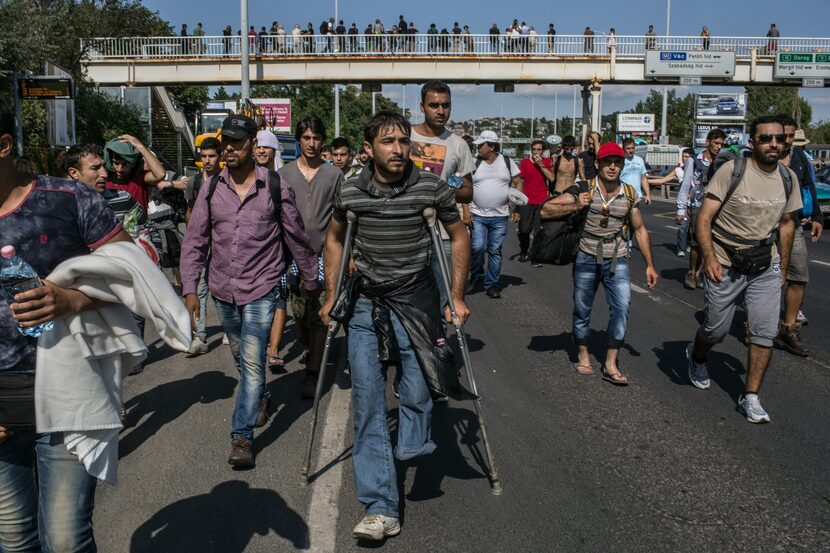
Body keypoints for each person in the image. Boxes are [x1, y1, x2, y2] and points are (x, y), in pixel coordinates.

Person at [320, 111, 471, 542]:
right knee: (367, 400)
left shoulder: (430, 187)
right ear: (369, 149)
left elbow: (458, 236)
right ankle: (380, 506)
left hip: (417, 296)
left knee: (421, 385)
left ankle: (409, 444)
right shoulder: (350, 191)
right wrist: (332, 296)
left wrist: (456, 297)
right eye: (388, 142)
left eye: (403, 141)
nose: (398, 149)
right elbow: (334, 238)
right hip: (368, 302)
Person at [0, 100, 134, 552]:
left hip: (69, 392)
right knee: (14, 540)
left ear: (3, 146)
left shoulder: (68, 198)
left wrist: (72, 299)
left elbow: (135, 270)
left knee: (63, 540)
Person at [180, 115, 320, 467]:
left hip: (262, 287)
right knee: (242, 358)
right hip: (223, 290)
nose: (229, 147)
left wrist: (312, 281)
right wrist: (189, 288)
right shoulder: (211, 189)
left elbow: (297, 237)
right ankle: (261, 397)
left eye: (237, 142)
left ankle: (241, 436)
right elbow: (195, 240)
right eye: (225, 140)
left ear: (252, 144)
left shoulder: (274, 186)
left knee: (254, 362)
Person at [686, 115, 801, 423]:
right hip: (725, 259)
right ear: (753, 143)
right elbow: (704, 218)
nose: (773, 144)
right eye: (765, 138)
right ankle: (697, 355)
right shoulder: (731, 170)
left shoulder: (788, 178)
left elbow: (788, 225)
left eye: (778, 138)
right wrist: (709, 258)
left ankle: (750, 396)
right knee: (716, 329)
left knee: (764, 332)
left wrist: (783, 269)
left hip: (766, 263)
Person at [540, 142, 659, 385]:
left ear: (622, 165)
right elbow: (545, 211)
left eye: (617, 162)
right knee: (582, 308)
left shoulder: (629, 194)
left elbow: (640, 230)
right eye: (607, 162)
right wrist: (576, 204)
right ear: (598, 164)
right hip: (585, 256)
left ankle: (610, 362)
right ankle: (583, 354)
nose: (612, 167)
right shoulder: (583, 188)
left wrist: (650, 265)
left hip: (617, 258)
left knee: (622, 307)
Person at [278, 116, 343, 398]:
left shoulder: (333, 175)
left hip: (323, 254)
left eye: (316, 138)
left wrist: (346, 255)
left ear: (322, 142)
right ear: (298, 140)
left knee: (318, 313)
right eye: (306, 138)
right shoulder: (283, 175)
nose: (312, 144)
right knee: (300, 313)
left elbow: (343, 218)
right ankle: (309, 347)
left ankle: (313, 372)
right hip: (291, 256)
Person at [410, 81, 475, 309]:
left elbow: (467, 190)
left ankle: (435, 343)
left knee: (440, 299)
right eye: (434, 105)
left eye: (445, 105)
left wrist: (445, 188)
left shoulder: (458, 145)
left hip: (444, 236)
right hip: (405, 233)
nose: (440, 111)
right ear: (422, 106)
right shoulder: (404, 137)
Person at [776, 118, 823, 356]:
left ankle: (789, 326)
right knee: (760, 277)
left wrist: (816, 216)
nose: (788, 140)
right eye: (785, 134)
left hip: (793, 226)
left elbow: (809, 187)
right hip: (763, 229)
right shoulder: (764, 154)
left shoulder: (800, 157)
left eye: (792, 135)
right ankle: (755, 324)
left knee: (798, 275)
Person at [463, 131, 523, 297]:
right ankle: (476, 276)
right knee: (478, 247)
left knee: (495, 250)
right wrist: (466, 209)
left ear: (491, 146)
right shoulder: (474, 162)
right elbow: (464, 186)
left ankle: (492, 284)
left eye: (481, 145)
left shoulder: (507, 162)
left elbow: (519, 182)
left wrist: (517, 207)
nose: (478, 147)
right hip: (478, 214)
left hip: (500, 216)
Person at [182, 136, 222, 355]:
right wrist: (191, 238)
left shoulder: (227, 180)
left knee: (222, 287)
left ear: (220, 157)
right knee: (199, 288)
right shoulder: (195, 182)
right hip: (201, 244)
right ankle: (199, 337)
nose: (207, 160)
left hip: (222, 244)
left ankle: (231, 328)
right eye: (204, 156)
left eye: (211, 156)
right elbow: (189, 210)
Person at [676, 129, 724, 288]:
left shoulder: (722, 161)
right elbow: (685, 186)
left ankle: (700, 273)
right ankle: (691, 272)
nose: (718, 147)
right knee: (697, 242)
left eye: (721, 144)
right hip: (697, 206)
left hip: (716, 206)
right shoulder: (693, 160)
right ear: (708, 142)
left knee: (710, 241)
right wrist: (681, 210)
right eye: (716, 143)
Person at [65, 143, 147, 234]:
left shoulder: (124, 199)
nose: (104, 174)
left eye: (104, 166)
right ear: (74, 173)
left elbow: (150, 230)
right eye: (95, 168)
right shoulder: (61, 206)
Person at [104, 134, 166, 212]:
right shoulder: (104, 180)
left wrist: (139, 145)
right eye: (116, 163)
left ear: (133, 164)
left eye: (125, 165)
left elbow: (160, 174)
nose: (120, 169)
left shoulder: (140, 178)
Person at [649, 147, 693, 255]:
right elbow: (662, 180)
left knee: (693, 227)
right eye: (683, 156)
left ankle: (688, 243)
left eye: (687, 157)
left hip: (695, 203)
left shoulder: (698, 171)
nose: (684, 159)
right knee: (683, 225)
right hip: (683, 203)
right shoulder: (679, 170)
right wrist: (645, 180)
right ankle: (680, 249)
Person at [517, 139, 554, 263]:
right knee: (524, 229)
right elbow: (520, 181)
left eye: (539, 149)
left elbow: (552, 178)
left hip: (541, 200)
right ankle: (524, 249)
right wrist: (518, 199)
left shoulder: (547, 162)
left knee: (539, 231)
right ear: (531, 150)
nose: (536, 152)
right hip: (526, 200)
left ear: (543, 151)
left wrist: (541, 165)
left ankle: (536, 255)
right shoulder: (525, 163)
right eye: (534, 149)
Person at [620, 137, 651, 204]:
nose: (631, 150)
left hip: (637, 196)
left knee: (635, 214)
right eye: (628, 148)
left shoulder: (640, 160)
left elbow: (643, 179)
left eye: (632, 148)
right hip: (623, 195)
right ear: (623, 149)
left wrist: (648, 195)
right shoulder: (620, 161)